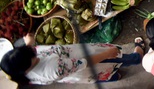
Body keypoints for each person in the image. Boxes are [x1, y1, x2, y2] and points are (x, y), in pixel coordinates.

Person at [0, 33, 145, 84]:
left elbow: (28, 53)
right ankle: (137, 57)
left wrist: (29, 43)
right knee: (112, 60)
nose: (31, 50)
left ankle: (114, 77)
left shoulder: (22, 70)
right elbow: (86, 62)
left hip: (73, 62)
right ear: (27, 64)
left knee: (103, 75)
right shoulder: (53, 69)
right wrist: (106, 54)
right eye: (28, 51)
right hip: (85, 62)